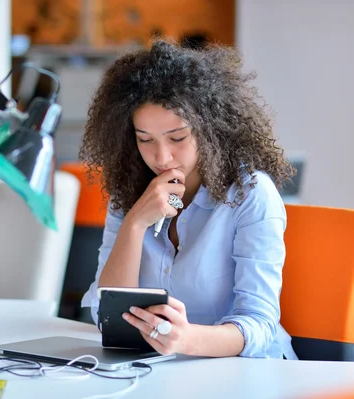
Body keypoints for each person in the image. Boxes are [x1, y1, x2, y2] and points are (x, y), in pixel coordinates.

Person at [79, 40, 297, 360]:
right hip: (161, 369)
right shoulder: (129, 192)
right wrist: (135, 222)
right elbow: (107, 314)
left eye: (177, 137)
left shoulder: (250, 194)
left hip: (246, 372)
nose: (162, 156)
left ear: (208, 128)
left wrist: (186, 339)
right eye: (145, 140)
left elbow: (260, 325)